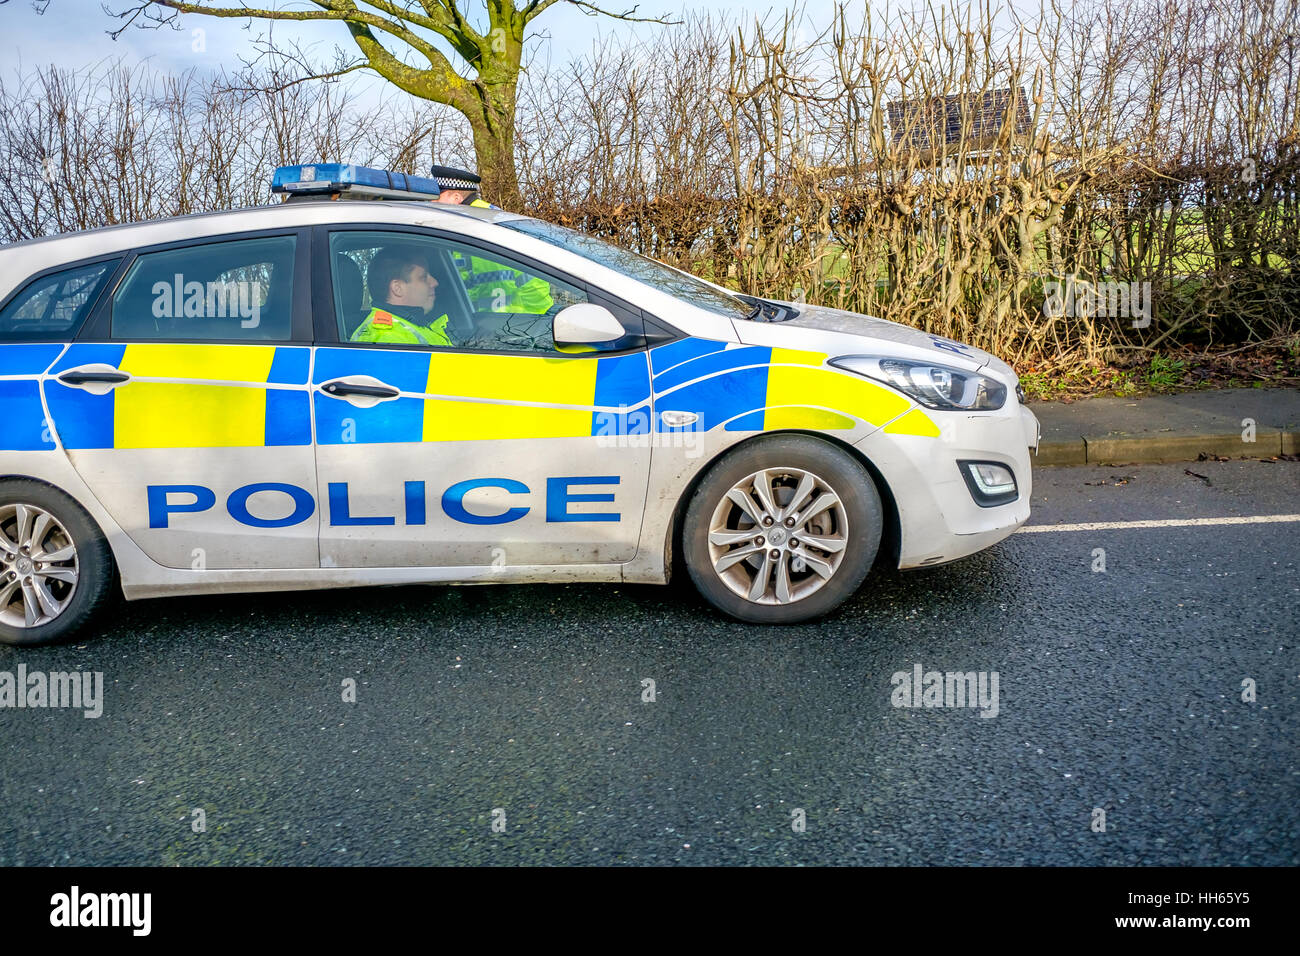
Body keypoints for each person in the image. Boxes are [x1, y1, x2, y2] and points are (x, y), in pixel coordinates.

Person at [429, 164, 554, 315]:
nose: (432, 202)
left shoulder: (471, 226)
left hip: (502, 327)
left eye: (437, 197)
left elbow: (533, 288)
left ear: (456, 198)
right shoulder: (493, 217)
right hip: (509, 324)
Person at [351, 248, 455, 347]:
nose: (434, 283)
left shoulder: (412, 325)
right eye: (423, 277)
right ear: (397, 288)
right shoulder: (387, 338)